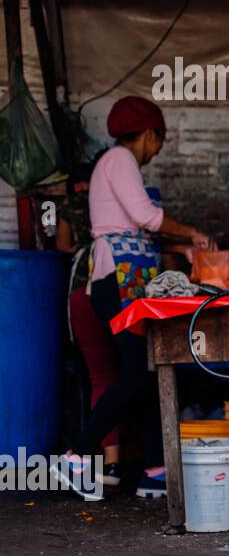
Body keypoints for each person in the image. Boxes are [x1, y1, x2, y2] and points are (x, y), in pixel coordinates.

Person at [51, 96, 214, 501]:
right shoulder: (120, 160)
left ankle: (154, 470)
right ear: (147, 134)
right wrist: (191, 232)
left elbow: (138, 226)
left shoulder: (113, 165)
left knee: (146, 369)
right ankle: (76, 454)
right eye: (159, 140)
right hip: (116, 281)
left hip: (124, 280)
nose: (157, 150)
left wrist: (183, 249)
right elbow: (146, 217)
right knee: (138, 372)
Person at [56, 159, 122, 487]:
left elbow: (61, 246)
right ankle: (125, 464)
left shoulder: (70, 205)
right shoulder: (113, 202)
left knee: (101, 376)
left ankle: (107, 460)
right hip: (115, 286)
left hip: (84, 287)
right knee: (131, 372)